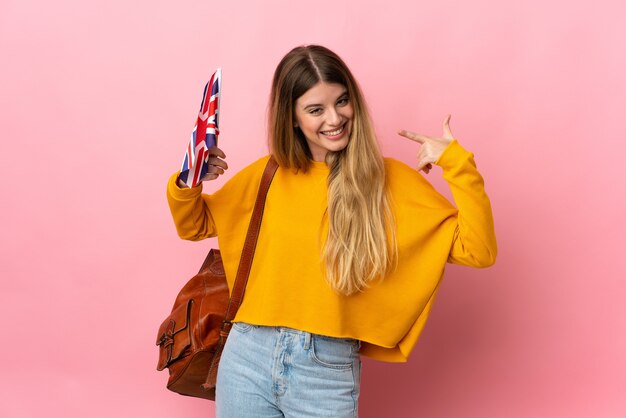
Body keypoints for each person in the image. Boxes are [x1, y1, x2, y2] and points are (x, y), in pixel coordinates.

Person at [166, 45, 497, 418]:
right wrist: (189, 178)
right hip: (247, 355)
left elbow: (478, 250)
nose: (335, 118)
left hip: (325, 368)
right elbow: (194, 225)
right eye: (315, 109)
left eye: (342, 101)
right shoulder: (268, 175)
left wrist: (457, 164)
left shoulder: (388, 182)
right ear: (292, 118)